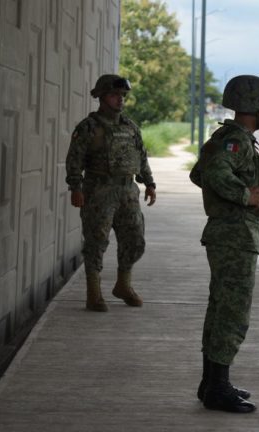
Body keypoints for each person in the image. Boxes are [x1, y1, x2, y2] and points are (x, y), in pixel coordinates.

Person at [189, 75, 259, 414]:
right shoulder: (235, 142)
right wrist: (243, 195)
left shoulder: (229, 139)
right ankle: (217, 388)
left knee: (220, 307)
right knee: (232, 312)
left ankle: (212, 381)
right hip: (234, 234)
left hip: (228, 233)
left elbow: (199, 173)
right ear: (254, 105)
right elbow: (210, 174)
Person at [65, 74, 156, 312]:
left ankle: (123, 285)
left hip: (128, 190)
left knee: (135, 239)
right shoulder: (89, 127)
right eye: (115, 95)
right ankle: (93, 294)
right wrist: (76, 187)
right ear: (102, 97)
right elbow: (74, 160)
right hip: (99, 191)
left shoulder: (130, 126)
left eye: (123, 96)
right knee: (96, 240)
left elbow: (141, 157)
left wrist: (150, 183)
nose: (120, 100)